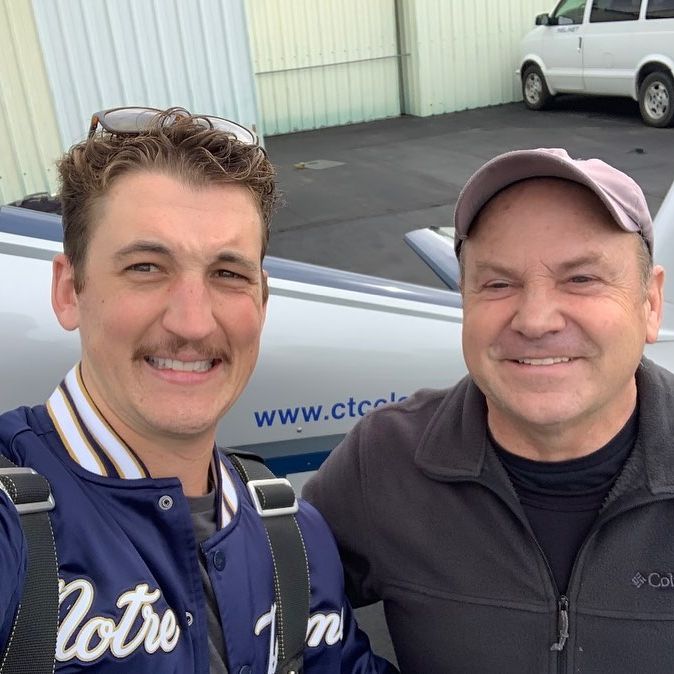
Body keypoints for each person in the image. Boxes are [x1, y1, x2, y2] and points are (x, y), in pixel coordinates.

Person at [0, 107, 395, 674]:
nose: (193, 323)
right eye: (145, 267)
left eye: (228, 274)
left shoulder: (293, 536)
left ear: (261, 301)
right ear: (70, 291)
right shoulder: (14, 533)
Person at [304, 148, 673, 673]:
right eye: (498, 283)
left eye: (582, 279)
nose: (536, 319)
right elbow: (260, 607)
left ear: (650, 304)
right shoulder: (384, 462)